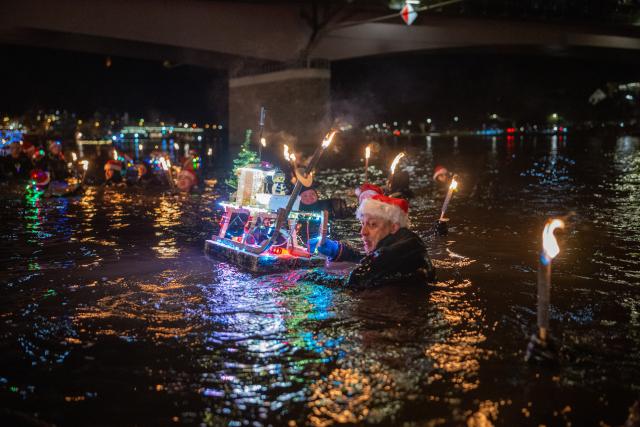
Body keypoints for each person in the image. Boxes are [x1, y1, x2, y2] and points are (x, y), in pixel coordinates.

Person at [314, 193, 436, 288]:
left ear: (394, 227)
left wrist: (309, 276)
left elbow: (356, 280)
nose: (362, 232)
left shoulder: (396, 252)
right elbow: (375, 262)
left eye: (372, 225)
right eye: (362, 224)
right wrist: (340, 252)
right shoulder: (406, 243)